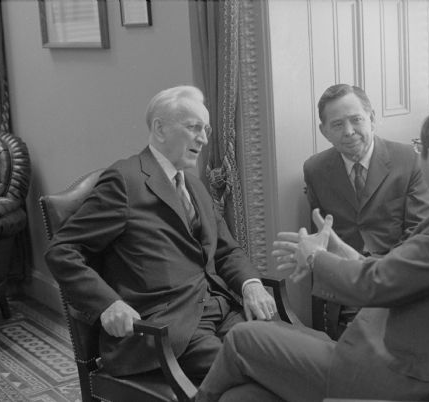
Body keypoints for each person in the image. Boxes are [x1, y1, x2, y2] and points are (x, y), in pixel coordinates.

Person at [196, 100, 429, 402]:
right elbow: (403, 270)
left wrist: (314, 257)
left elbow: (376, 283)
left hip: (407, 377)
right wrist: (340, 250)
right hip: (397, 352)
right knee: (243, 397)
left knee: (242, 339)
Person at [45, 86, 277, 381]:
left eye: (205, 130)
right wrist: (108, 304)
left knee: (284, 353)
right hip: (166, 329)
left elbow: (226, 250)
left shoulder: (195, 186)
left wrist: (251, 284)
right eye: (194, 128)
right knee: (255, 375)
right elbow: (62, 250)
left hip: (221, 309)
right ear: (160, 128)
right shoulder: (125, 180)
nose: (204, 139)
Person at [304, 84, 429, 337]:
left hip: (397, 282)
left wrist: (375, 275)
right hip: (347, 291)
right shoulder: (315, 169)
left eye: (356, 120)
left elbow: (420, 237)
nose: (349, 131)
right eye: (337, 124)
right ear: (324, 132)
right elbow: (322, 238)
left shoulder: (409, 160)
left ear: (372, 119)